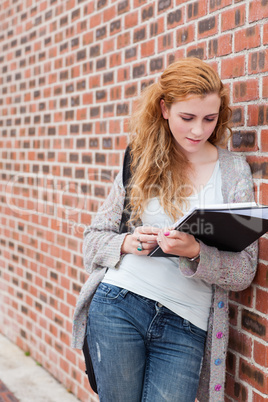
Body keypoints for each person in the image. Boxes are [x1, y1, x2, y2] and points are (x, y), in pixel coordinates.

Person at [72, 58, 258, 402]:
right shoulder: (140, 160)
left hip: (186, 325)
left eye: (209, 118)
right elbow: (93, 239)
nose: (198, 130)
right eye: (187, 118)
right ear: (164, 109)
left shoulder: (233, 172)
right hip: (119, 304)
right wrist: (127, 242)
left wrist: (195, 252)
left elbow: (244, 271)